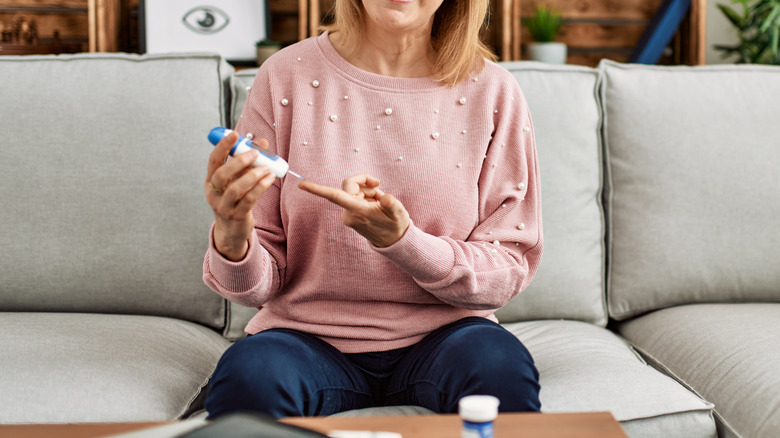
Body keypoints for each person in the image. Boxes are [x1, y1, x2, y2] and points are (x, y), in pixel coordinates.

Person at [202, 0, 543, 419]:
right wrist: (233, 233)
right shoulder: (284, 75)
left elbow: (509, 267)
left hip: (448, 337)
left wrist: (403, 242)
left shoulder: (493, 91)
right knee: (249, 377)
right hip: (304, 339)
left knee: (498, 367)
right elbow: (255, 287)